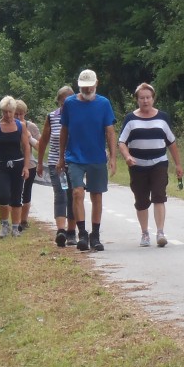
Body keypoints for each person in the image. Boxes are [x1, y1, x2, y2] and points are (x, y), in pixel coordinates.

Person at [57, 69, 117, 252]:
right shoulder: (70, 103)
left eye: (90, 86)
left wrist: (113, 157)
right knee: (77, 193)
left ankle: (95, 235)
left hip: (97, 157)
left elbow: (110, 131)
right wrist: (60, 157)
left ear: (96, 83)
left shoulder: (104, 103)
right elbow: (64, 131)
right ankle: (82, 233)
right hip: (75, 156)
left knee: (96, 195)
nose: (88, 89)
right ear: (78, 86)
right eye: (84, 87)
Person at [118, 83, 184, 247]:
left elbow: (172, 142)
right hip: (137, 165)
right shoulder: (130, 119)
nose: (145, 101)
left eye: (148, 97)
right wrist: (127, 156)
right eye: (142, 98)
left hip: (159, 163)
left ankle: (160, 232)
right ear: (137, 100)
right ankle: (145, 233)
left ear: (153, 99)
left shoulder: (162, 118)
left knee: (159, 196)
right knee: (141, 200)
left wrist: (178, 165)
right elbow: (122, 142)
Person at [36, 86, 77, 247]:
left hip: (75, 163)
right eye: (63, 102)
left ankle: (72, 232)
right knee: (60, 194)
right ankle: (61, 231)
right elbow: (43, 141)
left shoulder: (78, 116)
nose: (66, 105)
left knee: (73, 196)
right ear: (59, 102)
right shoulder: (52, 117)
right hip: (55, 163)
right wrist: (40, 162)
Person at [0, 95, 31, 238]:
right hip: (2, 166)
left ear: (14, 111)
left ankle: (16, 227)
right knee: (3, 196)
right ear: (1, 112)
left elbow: (26, 146)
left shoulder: (20, 126)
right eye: (5, 112)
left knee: (17, 197)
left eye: (10, 112)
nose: (8, 115)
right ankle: (5, 224)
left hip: (18, 165)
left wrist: (26, 166)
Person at [14, 99, 40, 234]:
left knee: (26, 192)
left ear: (25, 113)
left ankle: (23, 221)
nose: (18, 117)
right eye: (16, 114)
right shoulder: (7, 125)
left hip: (29, 164)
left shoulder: (31, 126)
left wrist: (29, 137)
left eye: (21, 114)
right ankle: (16, 221)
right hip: (13, 164)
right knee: (15, 192)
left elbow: (39, 146)